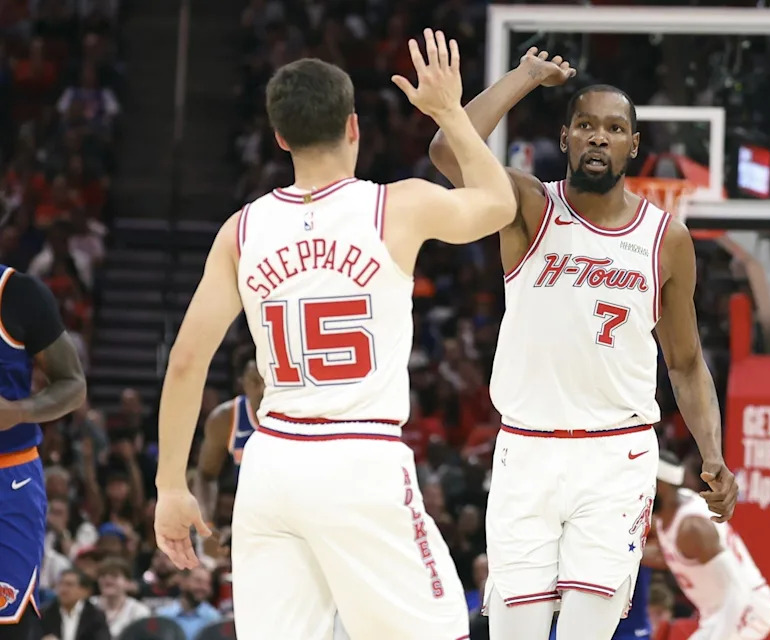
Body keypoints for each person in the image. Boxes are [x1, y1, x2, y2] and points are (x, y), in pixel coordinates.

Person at [153, 29, 516, 640]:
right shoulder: (397, 206)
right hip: (359, 458)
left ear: (280, 137)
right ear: (354, 127)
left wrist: (169, 484)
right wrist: (449, 111)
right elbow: (498, 204)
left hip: (271, 462)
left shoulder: (241, 231)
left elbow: (186, 360)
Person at [429, 48, 737, 639]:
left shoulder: (666, 238)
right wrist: (522, 78)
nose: (600, 137)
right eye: (587, 125)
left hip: (616, 455)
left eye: (615, 128)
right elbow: (447, 151)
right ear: (566, 137)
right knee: (514, 632)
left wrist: (713, 453)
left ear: (633, 145)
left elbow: (686, 360)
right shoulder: (526, 206)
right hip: (527, 448)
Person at [0, 266, 86, 639]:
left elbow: (73, 384)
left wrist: (20, 411)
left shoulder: (16, 292)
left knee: (9, 621)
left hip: (8, 475)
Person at [647, 453, 770, 640]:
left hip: (747, 607)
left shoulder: (693, 529)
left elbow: (737, 588)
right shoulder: (667, 512)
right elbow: (668, 556)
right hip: (721, 609)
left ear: (663, 487)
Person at [192, 345, 263, 521]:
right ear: (242, 382)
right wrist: (207, 523)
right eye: (255, 381)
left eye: (267, 380)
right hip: (251, 516)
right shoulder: (226, 419)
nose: (262, 389)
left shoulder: (296, 411)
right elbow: (205, 475)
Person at [39, 569, 110, 640]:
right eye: (60, 584)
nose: (63, 589)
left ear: (85, 591)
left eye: (69, 585)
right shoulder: (45, 613)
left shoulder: (95, 615)